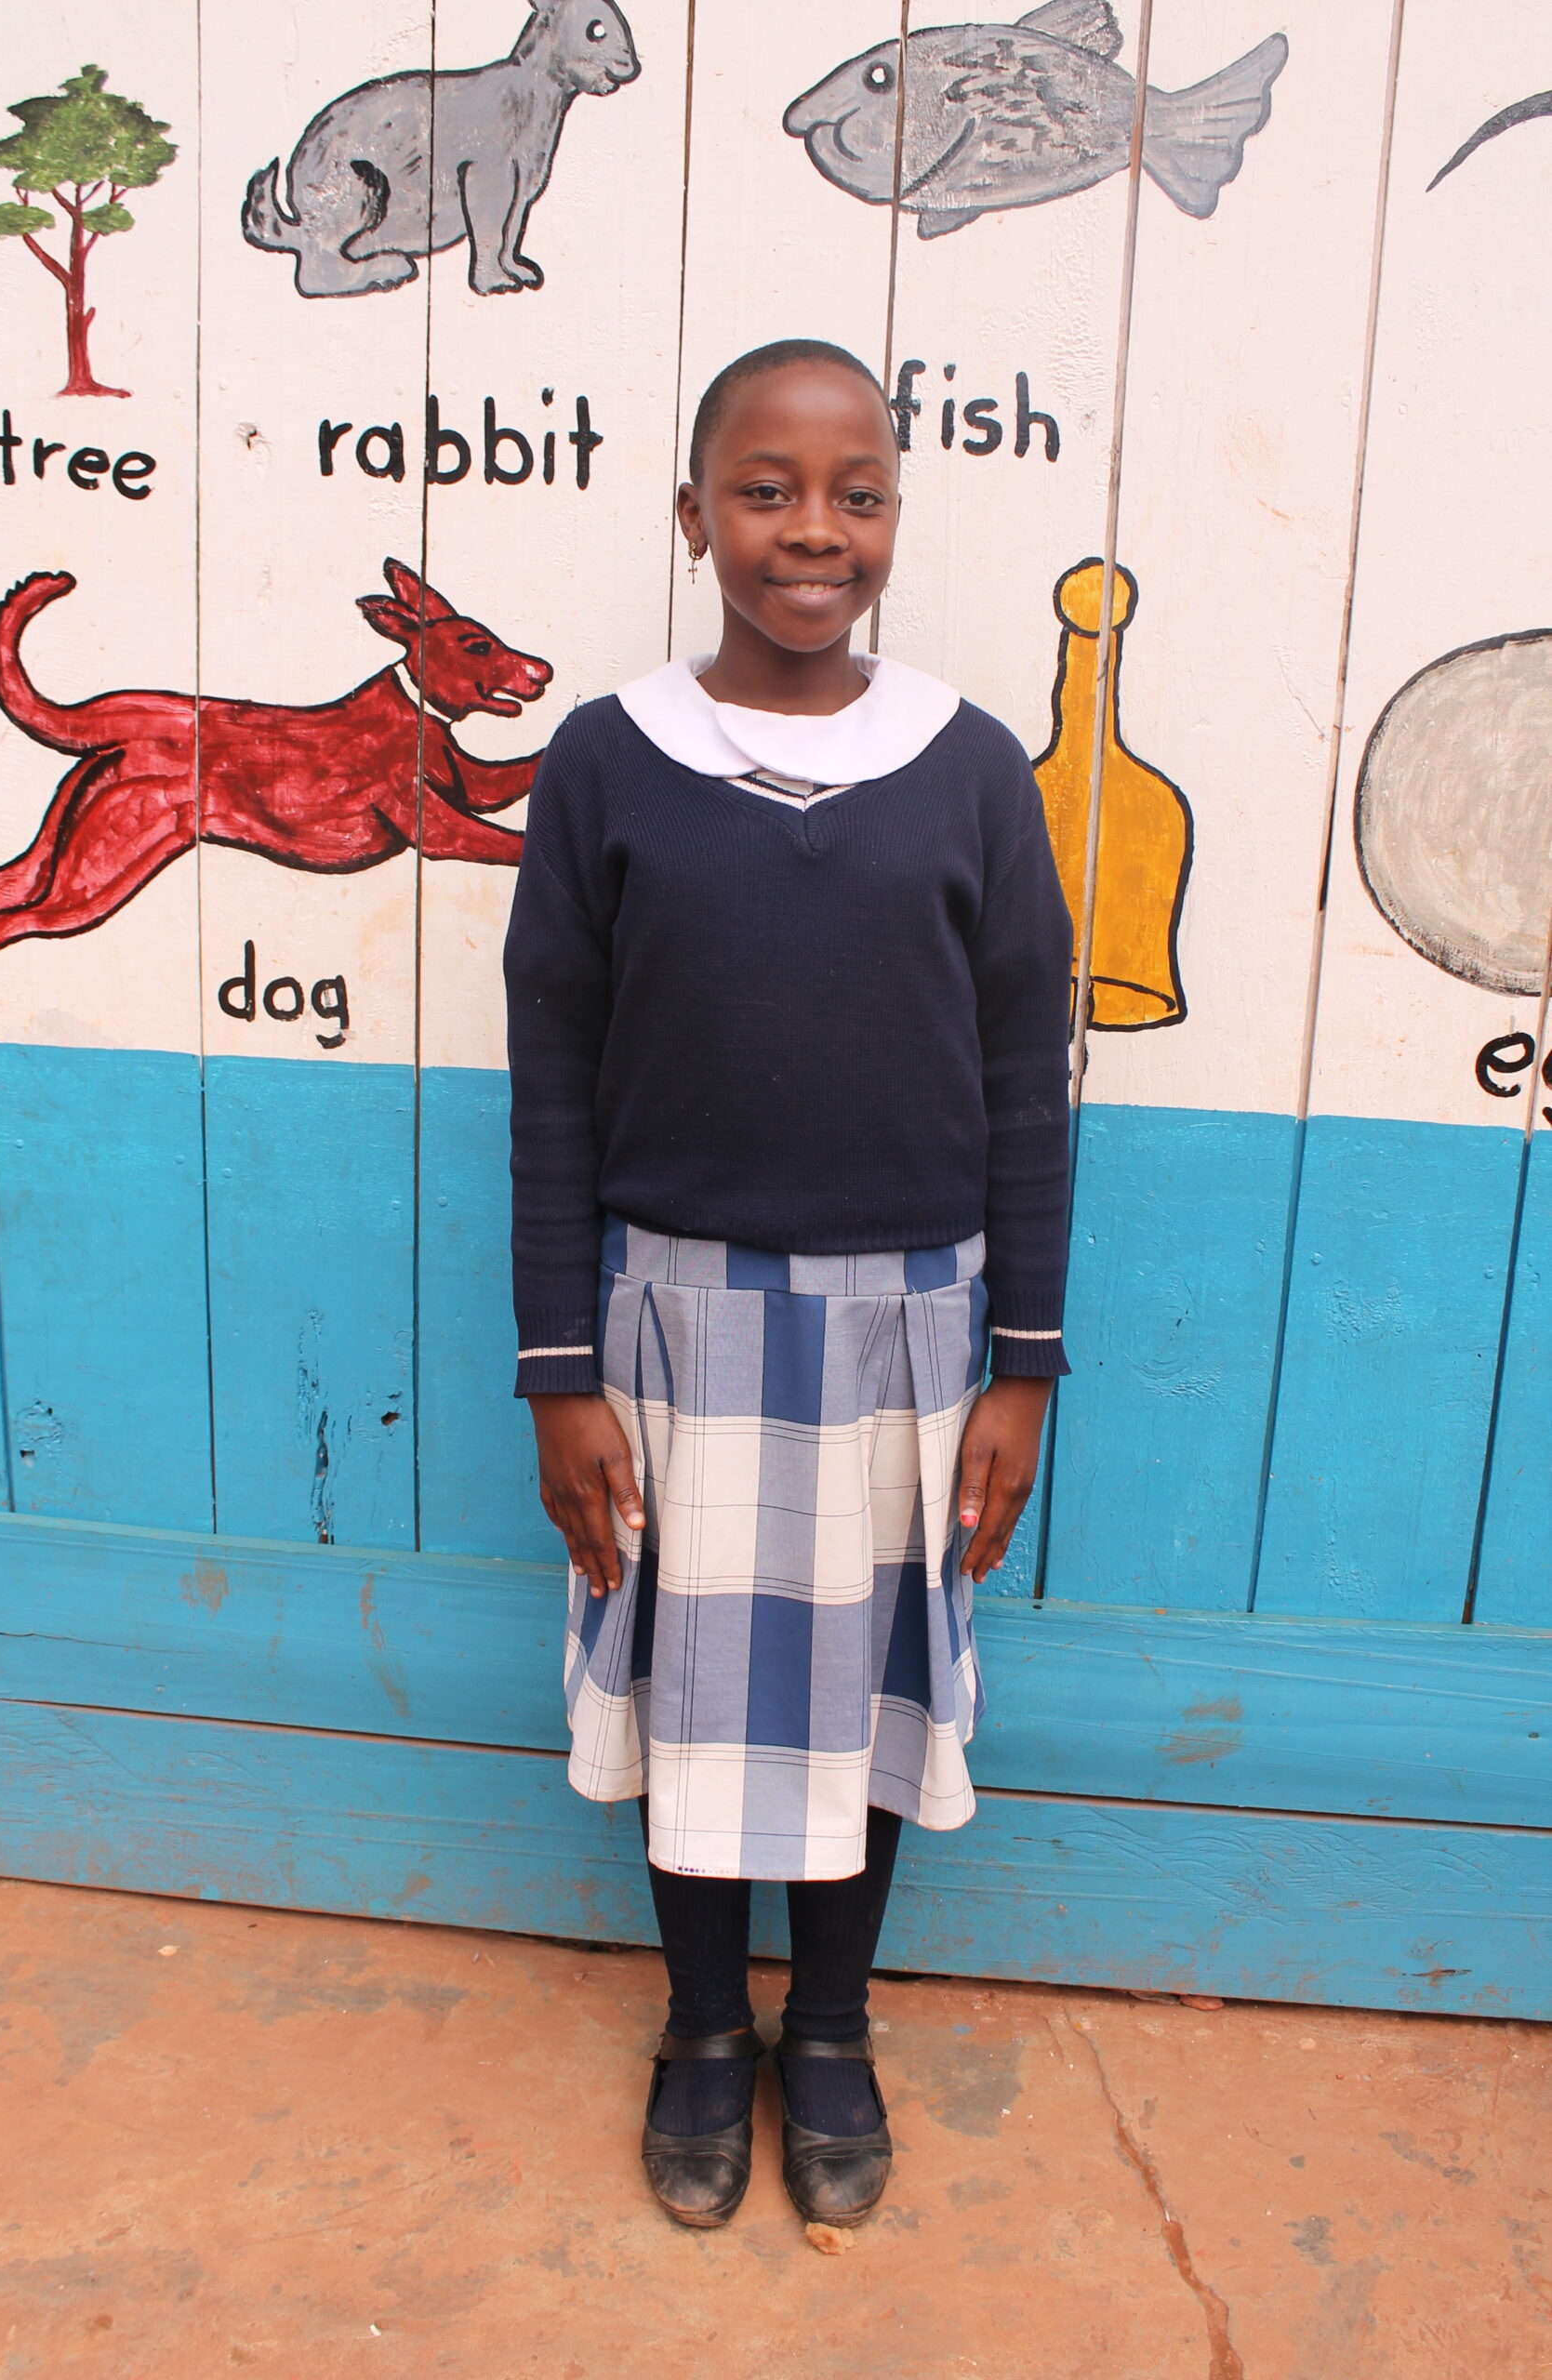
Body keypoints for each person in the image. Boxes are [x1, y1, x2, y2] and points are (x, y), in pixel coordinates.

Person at [503, 338, 1072, 2230]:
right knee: (692, 1689)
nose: (811, 529)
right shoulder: (608, 761)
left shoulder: (967, 768)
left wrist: (1022, 1361)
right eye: (764, 490)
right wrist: (559, 1370)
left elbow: (1026, 1074)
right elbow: (553, 1077)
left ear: (894, 518)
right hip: (671, 1327)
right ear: (694, 516)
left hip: (913, 1332)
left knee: (859, 1696)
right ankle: (700, 2026)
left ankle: (826, 2026)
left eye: (855, 493)